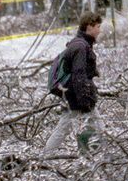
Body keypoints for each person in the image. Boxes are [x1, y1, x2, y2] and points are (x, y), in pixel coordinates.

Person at [43, 11, 103, 156]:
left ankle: (46, 156)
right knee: (95, 125)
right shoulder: (80, 47)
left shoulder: (80, 44)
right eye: (98, 27)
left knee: (66, 125)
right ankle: (91, 157)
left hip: (72, 92)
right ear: (89, 26)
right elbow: (79, 74)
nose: (99, 30)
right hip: (76, 94)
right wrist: (85, 100)